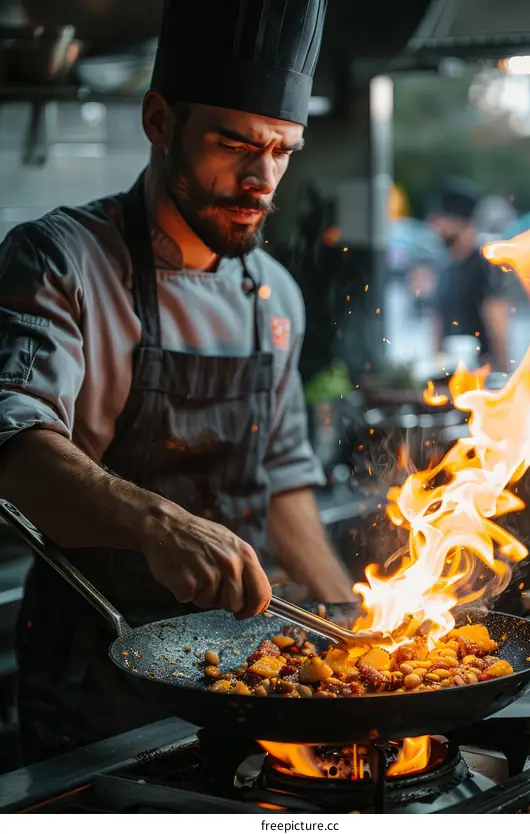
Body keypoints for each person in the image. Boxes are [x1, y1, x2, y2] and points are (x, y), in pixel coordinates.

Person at [0, 0, 354, 763]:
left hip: (243, 673)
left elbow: (284, 483)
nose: (261, 178)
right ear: (159, 120)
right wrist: (160, 525)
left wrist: (354, 631)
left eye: (282, 150)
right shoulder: (60, 260)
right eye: (234, 143)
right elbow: (17, 447)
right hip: (96, 670)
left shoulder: (275, 296)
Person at [427, 177, 509, 372]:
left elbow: (498, 325)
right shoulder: (447, 266)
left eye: (440, 220)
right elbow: (438, 323)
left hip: (482, 375)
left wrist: (504, 375)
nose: (436, 229)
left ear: (459, 220)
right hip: (451, 374)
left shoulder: (484, 265)